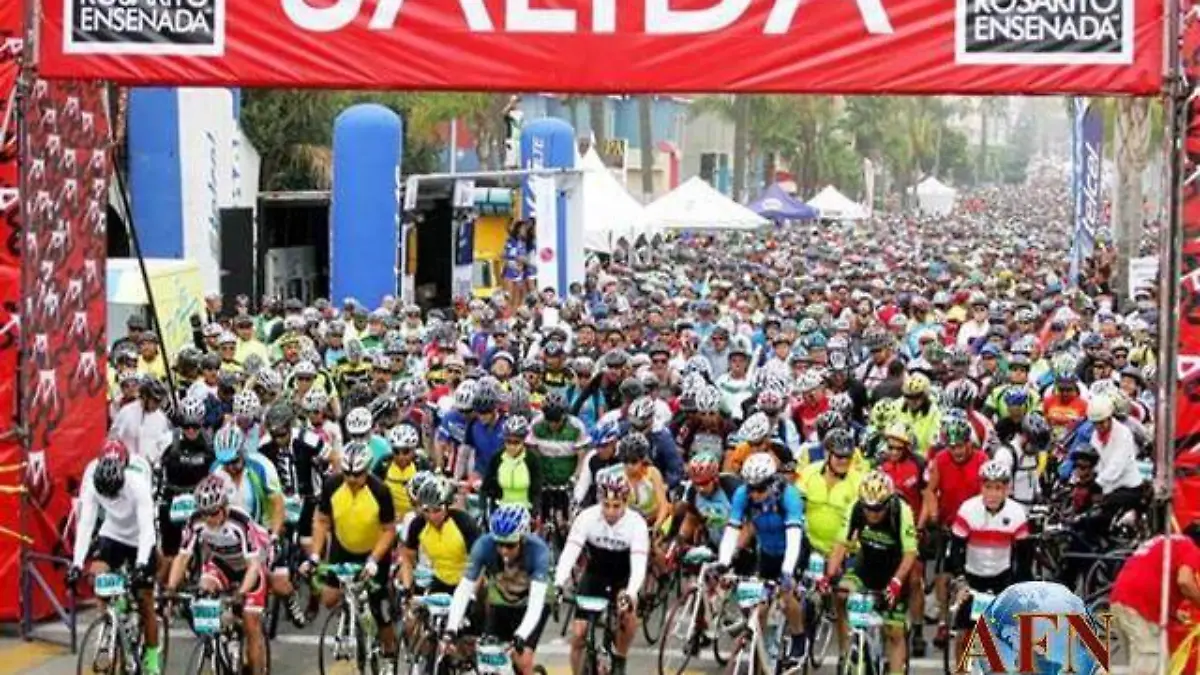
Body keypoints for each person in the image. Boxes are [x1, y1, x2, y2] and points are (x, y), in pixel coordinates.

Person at [301, 442, 400, 675]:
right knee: (328, 598)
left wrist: (375, 560)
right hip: (343, 548)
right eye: (347, 473)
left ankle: (388, 654)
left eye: (357, 474)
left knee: (379, 610)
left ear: (367, 471)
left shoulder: (380, 491)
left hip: (373, 552)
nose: (352, 478)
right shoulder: (332, 485)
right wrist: (315, 555)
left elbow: (388, 529)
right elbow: (322, 520)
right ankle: (349, 616)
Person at [68, 444, 162, 675]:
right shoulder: (92, 481)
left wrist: (141, 564)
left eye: (114, 492)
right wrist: (77, 563)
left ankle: (151, 656)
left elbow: (147, 529)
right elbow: (87, 524)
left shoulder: (137, 483)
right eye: (106, 493)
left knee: (144, 599)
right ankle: (108, 628)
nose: (111, 498)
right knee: (98, 576)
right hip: (113, 534)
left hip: (141, 538)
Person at [166, 475, 272, 675]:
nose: (209, 519)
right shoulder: (195, 521)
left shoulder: (240, 522)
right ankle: (220, 636)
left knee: (251, 622)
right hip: (221, 563)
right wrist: (171, 588)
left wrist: (241, 593)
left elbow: (254, 566)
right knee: (204, 591)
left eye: (213, 513)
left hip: (249, 567)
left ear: (224, 507)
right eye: (204, 513)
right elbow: (182, 557)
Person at [555, 466, 650, 675]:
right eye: (606, 505)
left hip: (624, 575)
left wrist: (631, 593)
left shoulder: (637, 524)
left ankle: (620, 658)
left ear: (626, 502)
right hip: (596, 572)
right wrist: (559, 583)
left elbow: (639, 565)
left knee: (628, 613)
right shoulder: (587, 517)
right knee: (579, 635)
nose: (610, 511)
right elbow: (570, 552)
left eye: (616, 506)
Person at [824, 471, 918, 674]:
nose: (873, 514)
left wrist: (896, 581)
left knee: (894, 632)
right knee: (840, 594)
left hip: (894, 571)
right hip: (865, 567)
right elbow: (841, 543)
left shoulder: (902, 511)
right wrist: (829, 575)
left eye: (878, 509)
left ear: (888, 502)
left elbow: (910, 553)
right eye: (868, 509)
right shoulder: (856, 508)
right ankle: (846, 648)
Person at [718, 453, 808, 662]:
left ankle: (798, 637)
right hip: (767, 551)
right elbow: (732, 530)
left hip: (792, 551)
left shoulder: (789, 496)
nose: (755, 494)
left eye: (760, 489)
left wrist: (787, 572)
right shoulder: (743, 494)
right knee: (760, 602)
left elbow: (794, 537)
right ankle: (764, 642)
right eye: (751, 488)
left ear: (771, 483)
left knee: (786, 598)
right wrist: (723, 562)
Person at [445, 505, 552, 675]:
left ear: (522, 538)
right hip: (502, 602)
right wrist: (451, 628)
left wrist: (521, 635)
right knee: (486, 658)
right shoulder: (483, 545)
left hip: (531, 605)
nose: (504, 551)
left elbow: (536, 604)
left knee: (522, 659)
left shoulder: (539, 552)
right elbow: (464, 589)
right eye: (499, 544)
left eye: (510, 545)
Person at [1110, 528, 1200, 675]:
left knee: (1119, 663)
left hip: (1118, 601)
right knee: (1152, 662)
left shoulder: (1165, 541)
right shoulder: (1190, 547)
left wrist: (1173, 612)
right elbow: (1185, 582)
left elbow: (1153, 576)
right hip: (1140, 608)